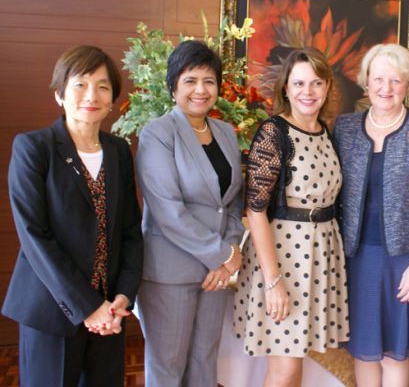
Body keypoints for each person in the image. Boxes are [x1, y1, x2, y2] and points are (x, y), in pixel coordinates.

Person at [2, 45, 143, 386]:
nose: (91, 95)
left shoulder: (118, 151)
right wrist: (88, 307)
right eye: (80, 84)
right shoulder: (34, 147)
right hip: (51, 310)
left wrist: (123, 297)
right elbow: (35, 238)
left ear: (112, 100)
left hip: (110, 312)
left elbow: (130, 230)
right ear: (59, 94)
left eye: (103, 86)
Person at [332, 43, 409, 386]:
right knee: (363, 351)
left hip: (406, 261)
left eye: (395, 80)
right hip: (356, 260)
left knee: (393, 355)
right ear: (365, 82)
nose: (386, 88)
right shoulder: (345, 128)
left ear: (408, 85)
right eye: (378, 79)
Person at [233, 48, 349, 387]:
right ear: (285, 88)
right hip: (284, 257)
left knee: (295, 363)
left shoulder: (326, 132)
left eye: (315, 83)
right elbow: (255, 211)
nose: (307, 92)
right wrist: (273, 281)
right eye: (299, 83)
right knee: (283, 370)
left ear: (327, 87)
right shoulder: (274, 132)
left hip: (319, 254)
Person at [135, 40, 245, 387]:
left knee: (204, 361)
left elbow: (232, 200)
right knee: (168, 366)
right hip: (170, 270)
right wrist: (222, 255)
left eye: (209, 81)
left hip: (217, 273)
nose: (201, 90)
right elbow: (167, 210)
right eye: (190, 80)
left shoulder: (226, 132)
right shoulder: (158, 132)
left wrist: (229, 255)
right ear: (173, 87)